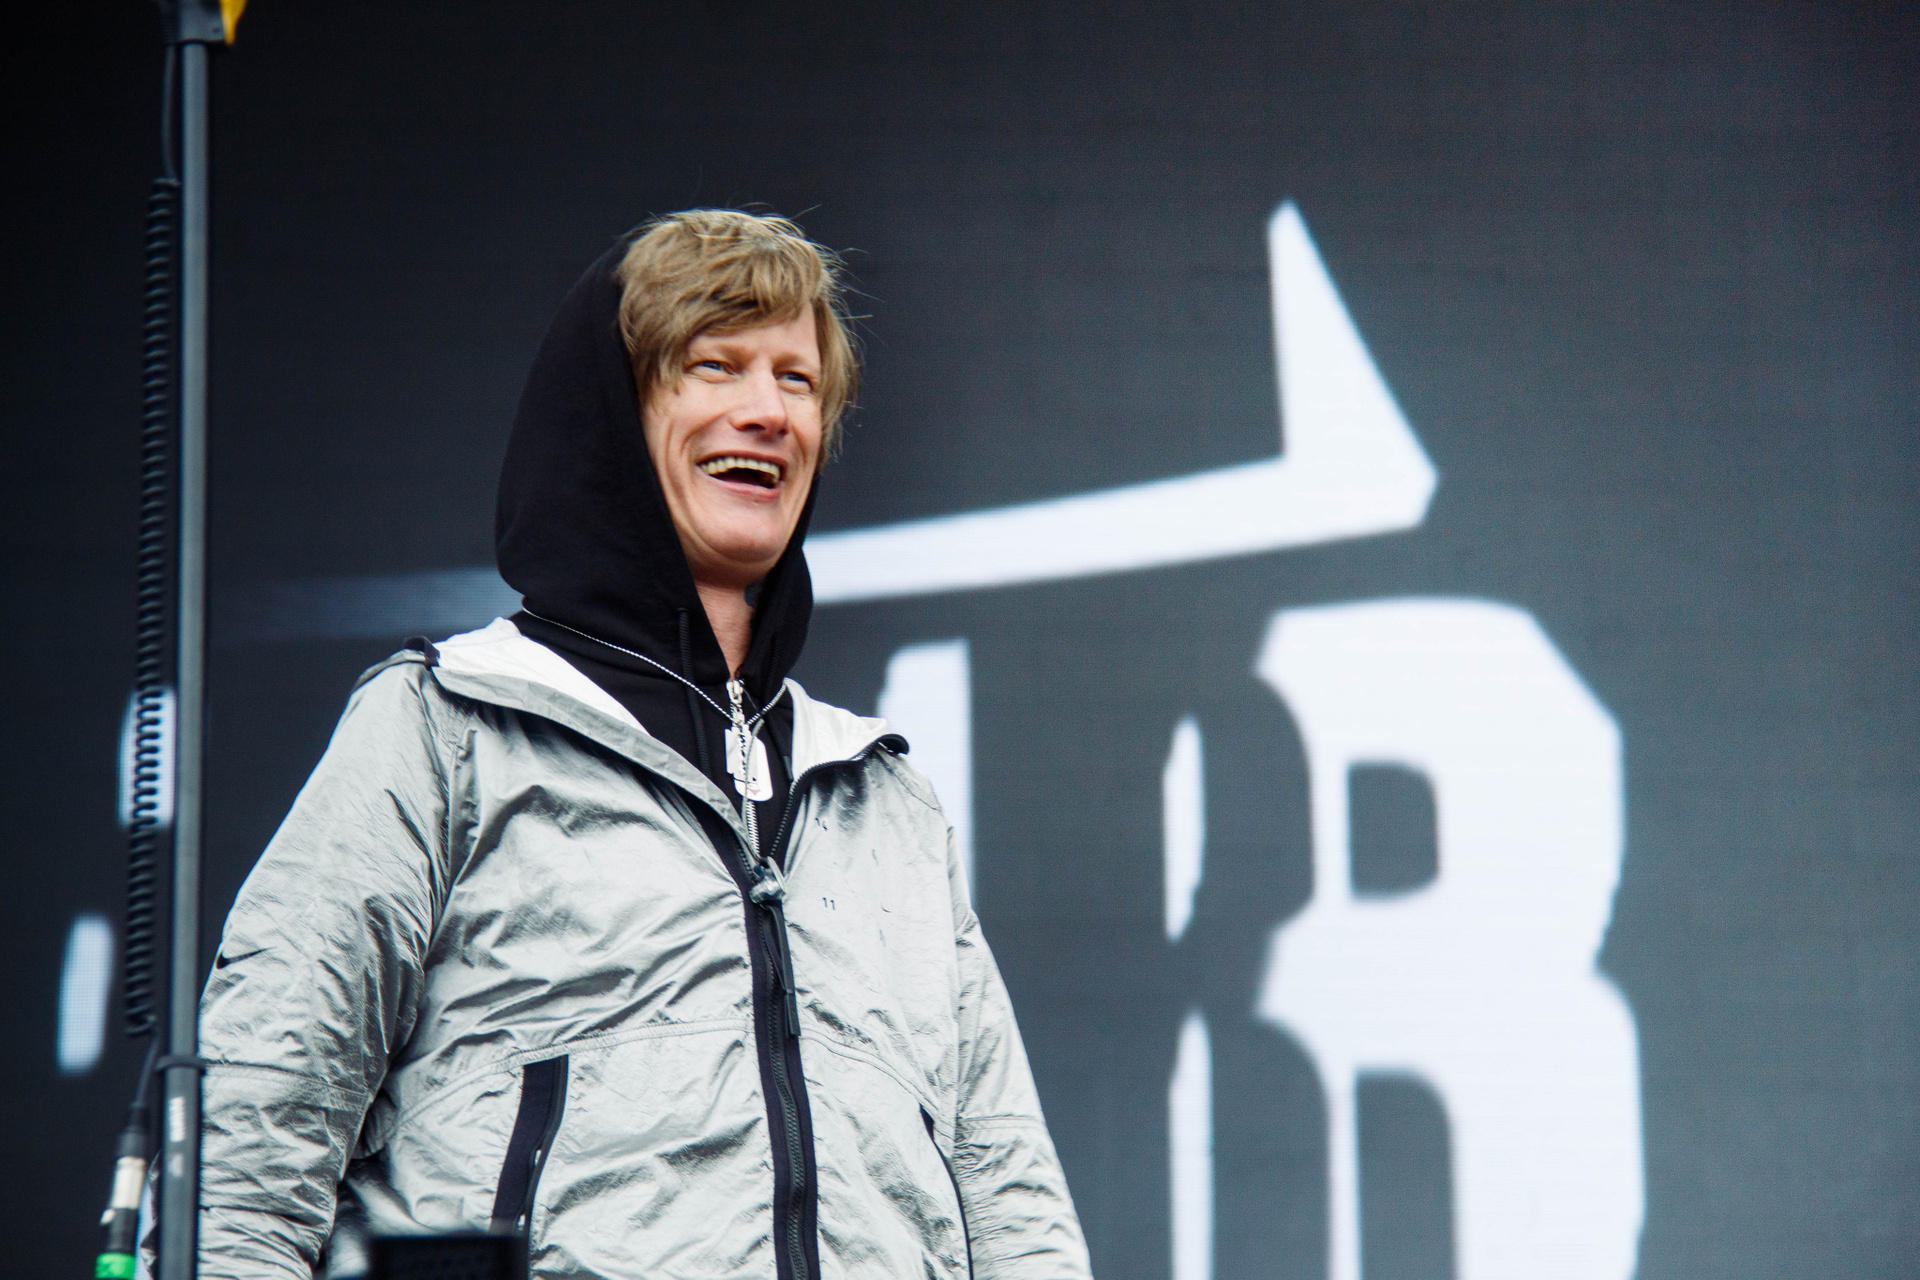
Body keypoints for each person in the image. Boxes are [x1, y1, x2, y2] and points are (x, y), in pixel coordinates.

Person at [182, 211, 1092, 1279]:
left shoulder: (884, 797)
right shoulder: (445, 723)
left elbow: (1010, 1193)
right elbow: (254, 1134)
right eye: (716, 367)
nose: (768, 411)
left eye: (797, 380)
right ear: (614, 414)